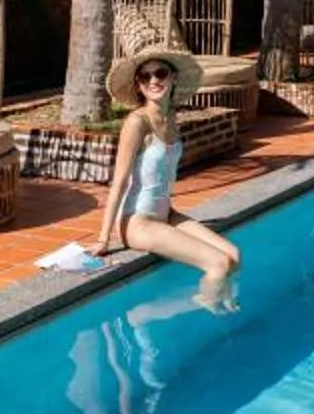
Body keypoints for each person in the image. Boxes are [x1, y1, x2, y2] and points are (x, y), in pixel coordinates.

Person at [96, 46, 241, 309]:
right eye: (145, 76)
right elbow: (118, 182)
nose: (154, 80)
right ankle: (190, 309)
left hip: (166, 212)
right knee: (217, 264)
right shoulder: (136, 123)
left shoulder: (171, 117)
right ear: (139, 85)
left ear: (173, 77)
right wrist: (103, 239)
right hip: (137, 222)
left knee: (233, 255)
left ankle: (223, 299)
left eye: (160, 73)